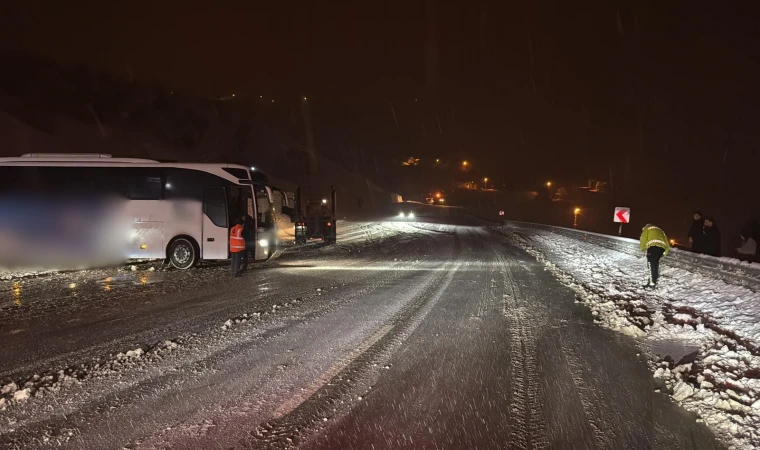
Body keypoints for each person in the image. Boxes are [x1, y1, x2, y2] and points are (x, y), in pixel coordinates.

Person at [640, 223, 670, 288]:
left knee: (651, 265)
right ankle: (652, 282)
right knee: (655, 265)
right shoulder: (660, 230)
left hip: (653, 247)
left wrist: (642, 248)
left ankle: (651, 284)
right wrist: (665, 252)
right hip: (661, 249)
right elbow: (667, 242)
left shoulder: (647, 228)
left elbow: (643, 238)